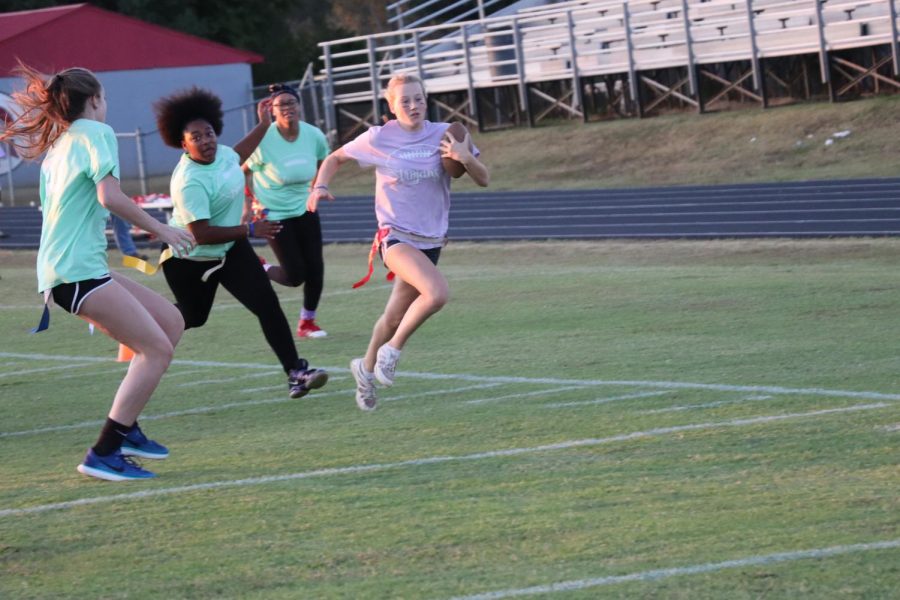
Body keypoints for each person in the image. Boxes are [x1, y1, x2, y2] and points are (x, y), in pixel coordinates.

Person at [0, 64, 196, 481]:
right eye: (104, 98)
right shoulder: (96, 134)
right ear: (94, 101)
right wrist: (162, 229)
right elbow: (110, 196)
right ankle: (104, 451)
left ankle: (128, 428)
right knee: (156, 351)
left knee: (171, 321)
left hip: (72, 269)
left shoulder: (61, 144)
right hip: (74, 272)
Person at [308, 73, 489, 411]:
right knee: (436, 294)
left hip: (431, 241)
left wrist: (466, 157)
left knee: (393, 316)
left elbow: (484, 178)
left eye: (418, 98)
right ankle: (392, 352)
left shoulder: (445, 133)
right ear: (391, 106)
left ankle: (364, 368)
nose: (413, 105)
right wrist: (320, 185)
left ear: (426, 100)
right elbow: (335, 158)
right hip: (395, 237)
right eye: (404, 100)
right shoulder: (379, 137)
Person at [153, 87, 328, 399]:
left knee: (267, 304)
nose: (206, 141)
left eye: (209, 133)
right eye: (197, 137)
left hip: (230, 249)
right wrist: (250, 229)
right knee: (195, 317)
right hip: (190, 260)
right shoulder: (188, 180)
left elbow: (239, 154)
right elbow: (201, 233)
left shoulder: (221, 155)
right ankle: (143, 321)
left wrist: (262, 124)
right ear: (183, 143)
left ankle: (296, 372)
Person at [242, 83, 330, 339]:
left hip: (305, 208)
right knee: (294, 276)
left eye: (292, 102)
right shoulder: (264, 139)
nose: (288, 108)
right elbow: (242, 173)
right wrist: (249, 205)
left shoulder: (313, 135)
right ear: (272, 109)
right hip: (274, 212)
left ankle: (307, 323)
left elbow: (324, 161)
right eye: (281, 105)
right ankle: (261, 267)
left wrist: (318, 188)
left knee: (316, 268)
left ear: (299, 106)